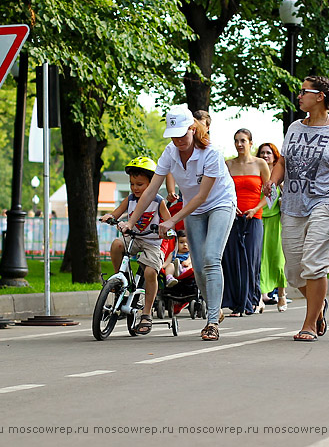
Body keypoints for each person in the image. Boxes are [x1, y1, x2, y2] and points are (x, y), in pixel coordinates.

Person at [124, 106, 236, 342]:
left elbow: (201, 196)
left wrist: (173, 220)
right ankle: (214, 307)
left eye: (182, 134)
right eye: (173, 135)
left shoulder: (212, 152)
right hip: (193, 208)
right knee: (198, 264)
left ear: (193, 129)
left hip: (220, 203)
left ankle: (212, 321)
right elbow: (151, 190)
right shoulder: (170, 152)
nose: (178, 140)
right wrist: (130, 221)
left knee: (211, 258)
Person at [264, 76, 329, 342]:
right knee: (294, 273)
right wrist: (272, 179)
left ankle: (309, 323)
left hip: (325, 203)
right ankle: (320, 305)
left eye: (304, 91)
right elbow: (283, 162)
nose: (299, 95)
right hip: (292, 206)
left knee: (314, 265)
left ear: (320, 97)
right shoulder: (294, 127)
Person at [100, 156, 172, 335]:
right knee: (117, 244)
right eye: (132, 184)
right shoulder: (130, 198)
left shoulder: (158, 201)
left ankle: (146, 313)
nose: (135, 188)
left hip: (153, 242)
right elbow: (117, 213)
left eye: (140, 184)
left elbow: (170, 221)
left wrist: (166, 229)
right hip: (135, 238)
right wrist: (110, 217)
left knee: (149, 272)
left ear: (152, 183)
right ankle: (119, 280)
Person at [221, 129, 270, 317]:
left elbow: (270, 194)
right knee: (232, 259)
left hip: (254, 218)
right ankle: (235, 304)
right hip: (232, 217)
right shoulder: (228, 165)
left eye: (243, 140)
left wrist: (256, 209)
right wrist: (231, 208)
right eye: (236, 141)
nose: (239, 144)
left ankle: (250, 302)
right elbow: (222, 191)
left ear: (251, 143)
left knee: (251, 260)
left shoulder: (260, 164)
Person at [257, 142, 289, 312]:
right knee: (261, 259)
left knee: (277, 259)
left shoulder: (279, 173)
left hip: (276, 219)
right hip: (259, 217)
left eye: (268, 153)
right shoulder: (256, 171)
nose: (265, 156)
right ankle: (261, 296)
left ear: (275, 156)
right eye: (262, 153)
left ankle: (282, 294)